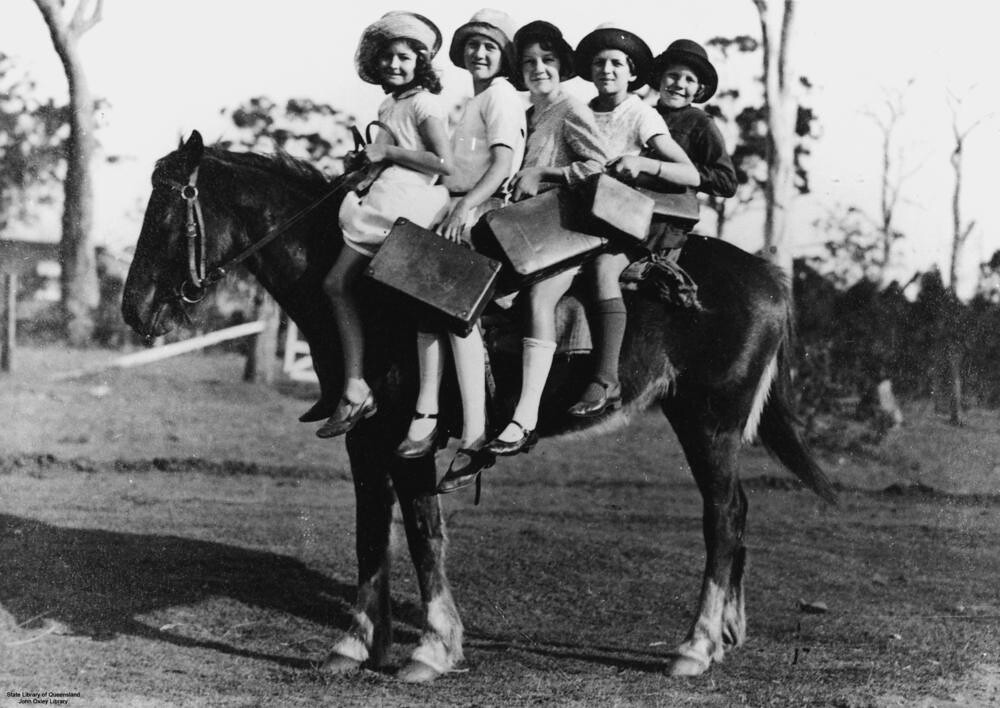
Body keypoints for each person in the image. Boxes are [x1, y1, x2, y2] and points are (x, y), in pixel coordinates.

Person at [394, 9, 526, 492]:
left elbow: (504, 162)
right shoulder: (471, 100)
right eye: (472, 45)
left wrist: (465, 209)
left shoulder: (502, 96)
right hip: (455, 204)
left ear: (504, 55)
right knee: (419, 302)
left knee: (454, 311)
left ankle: (472, 431)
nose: (479, 52)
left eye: (489, 46)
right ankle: (427, 413)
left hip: (483, 209)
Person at [316, 11, 453, 438]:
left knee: (392, 300)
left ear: (420, 63)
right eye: (387, 58)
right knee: (336, 284)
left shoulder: (424, 103)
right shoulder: (388, 104)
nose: (393, 64)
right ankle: (356, 384)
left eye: (403, 58)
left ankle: (404, 390)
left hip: (412, 203)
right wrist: (364, 165)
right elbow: (382, 152)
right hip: (383, 198)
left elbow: (443, 163)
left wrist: (389, 155)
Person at [484, 20, 610, 456]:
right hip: (520, 235)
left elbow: (600, 166)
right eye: (529, 62)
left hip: (562, 233)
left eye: (548, 60)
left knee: (539, 301)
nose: (538, 68)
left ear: (562, 65)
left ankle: (526, 418)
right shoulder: (524, 115)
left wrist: (544, 173)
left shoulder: (571, 108)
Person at [566, 24, 700, 419]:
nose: (606, 70)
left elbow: (690, 174)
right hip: (577, 217)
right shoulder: (578, 113)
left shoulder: (640, 113)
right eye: (598, 63)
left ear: (632, 73)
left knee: (605, 268)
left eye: (615, 63)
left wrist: (642, 162)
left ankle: (606, 378)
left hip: (622, 221)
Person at [645, 38, 736, 253]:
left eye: (689, 80)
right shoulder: (642, 115)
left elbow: (726, 181)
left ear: (699, 89)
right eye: (673, 76)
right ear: (660, 78)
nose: (679, 85)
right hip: (627, 206)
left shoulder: (699, 122)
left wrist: (682, 172)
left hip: (668, 220)